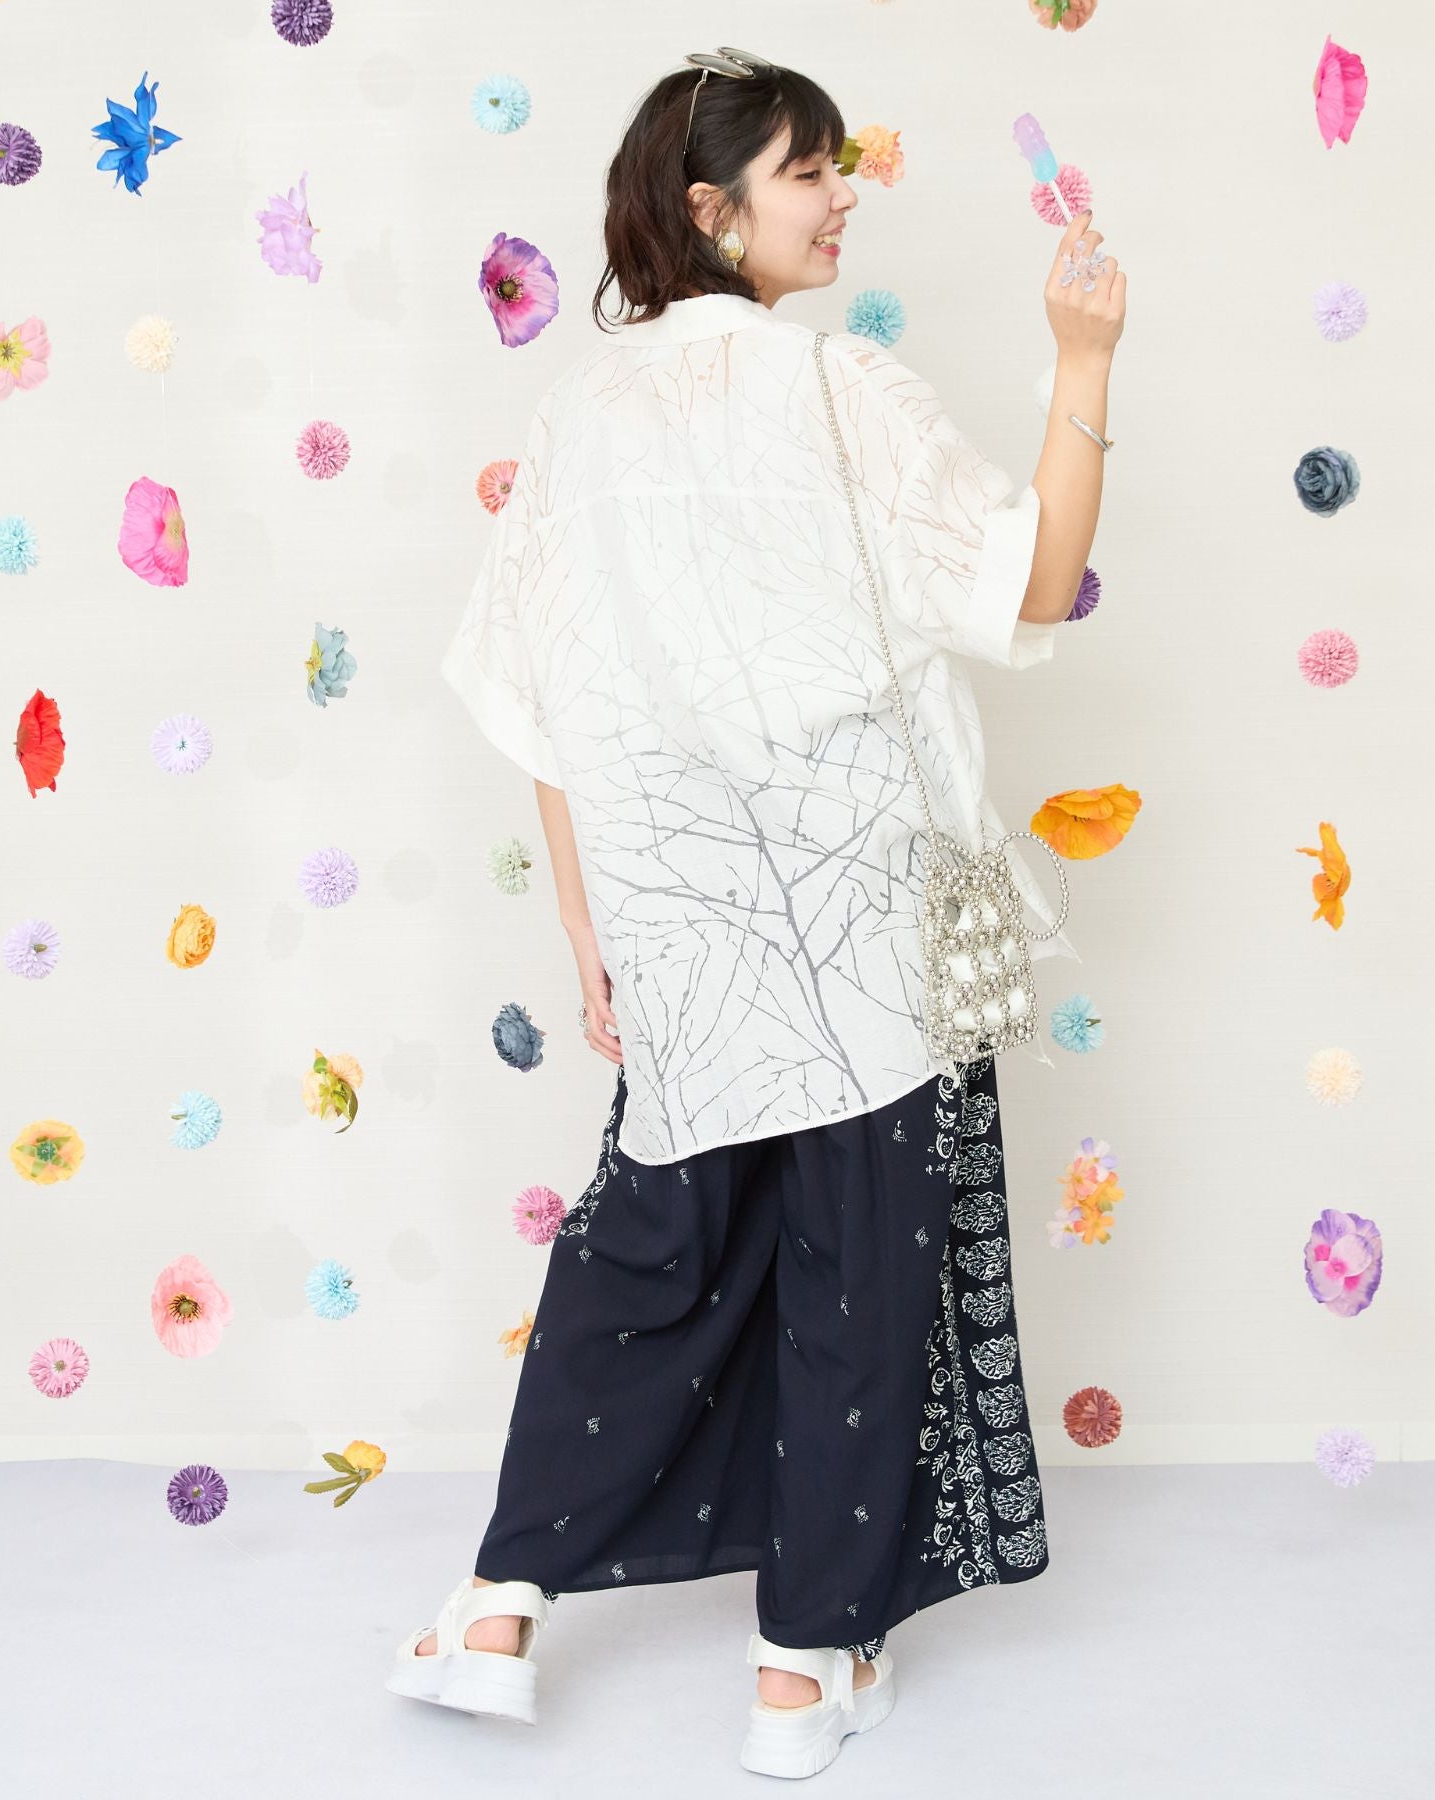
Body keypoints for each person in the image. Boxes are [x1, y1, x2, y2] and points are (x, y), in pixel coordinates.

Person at [392, 48, 1125, 1779]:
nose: (844, 194)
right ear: (712, 208)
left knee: (650, 1253)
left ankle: (497, 1607)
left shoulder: (578, 418)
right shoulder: (837, 389)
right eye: (809, 170)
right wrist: (1086, 362)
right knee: (860, 1261)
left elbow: (546, 706)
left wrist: (589, 931)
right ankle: (801, 1670)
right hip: (867, 910)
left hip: (684, 925)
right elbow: (1033, 580)